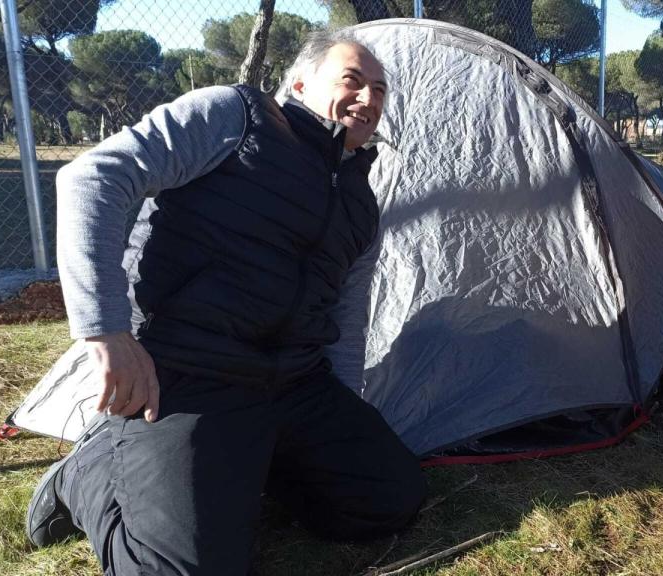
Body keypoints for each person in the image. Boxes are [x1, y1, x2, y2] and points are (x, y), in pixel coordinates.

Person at [25, 33, 426, 574]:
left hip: (296, 384)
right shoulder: (236, 117)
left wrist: (343, 408)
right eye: (353, 81)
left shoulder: (360, 199)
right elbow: (93, 177)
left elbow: (345, 316)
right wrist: (106, 332)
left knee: (388, 498)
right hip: (188, 373)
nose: (369, 100)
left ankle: (238, 470)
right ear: (300, 84)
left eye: (380, 90)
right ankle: (87, 473)